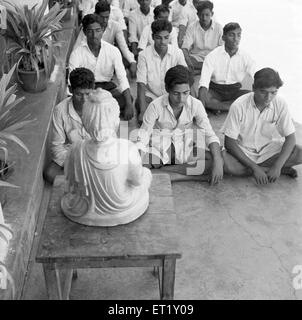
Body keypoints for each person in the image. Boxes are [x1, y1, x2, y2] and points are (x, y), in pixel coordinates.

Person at [61, 89, 152, 226]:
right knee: (147, 174)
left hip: (84, 207)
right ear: (116, 121)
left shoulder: (76, 148)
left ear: (85, 122)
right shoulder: (127, 148)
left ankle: (93, 207)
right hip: (121, 204)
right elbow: (137, 182)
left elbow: (71, 185)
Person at [135, 65, 224, 185]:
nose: (181, 99)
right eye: (176, 93)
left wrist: (218, 161)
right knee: (136, 167)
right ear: (167, 89)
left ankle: (164, 174)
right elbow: (143, 135)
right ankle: (185, 176)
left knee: (213, 160)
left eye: (185, 93)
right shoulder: (155, 106)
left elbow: (209, 134)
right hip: (159, 150)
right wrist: (138, 157)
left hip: (184, 148)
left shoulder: (196, 105)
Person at [221, 68, 302, 184]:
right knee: (225, 164)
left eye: (273, 92)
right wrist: (255, 168)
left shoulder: (280, 103)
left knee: (299, 152)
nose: (268, 98)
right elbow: (229, 143)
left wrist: (277, 167)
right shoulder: (238, 106)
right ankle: (273, 170)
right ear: (253, 88)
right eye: (263, 92)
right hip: (244, 152)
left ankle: (273, 169)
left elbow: (291, 138)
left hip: (267, 150)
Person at [69, 14, 134, 120]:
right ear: (84, 32)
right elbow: (71, 82)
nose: (94, 35)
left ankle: (98, 113)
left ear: (103, 30)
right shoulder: (77, 53)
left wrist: (129, 104)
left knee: (127, 99)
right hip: (87, 90)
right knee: (81, 102)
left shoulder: (112, 50)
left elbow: (122, 78)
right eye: (90, 31)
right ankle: (101, 113)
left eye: (98, 30)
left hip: (107, 88)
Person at [43, 68, 95, 184]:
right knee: (50, 174)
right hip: (72, 155)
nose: (84, 100)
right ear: (71, 90)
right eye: (79, 94)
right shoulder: (60, 110)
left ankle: (79, 183)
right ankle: (86, 182)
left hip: (95, 153)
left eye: (88, 93)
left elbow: (109, 139)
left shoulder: (100, 106)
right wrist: (77, 163)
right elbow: (57, 147)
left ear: (93, 89)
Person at [136, 19, 187, 123]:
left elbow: (185, 78)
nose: (163, 42)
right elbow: (141, 84)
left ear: (170, 37)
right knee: (139, 105)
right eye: (159, 38)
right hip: (151, 97)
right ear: (153, 37)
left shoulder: (177, 53)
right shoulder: (143, 55)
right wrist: (142, 111)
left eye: (166, 37)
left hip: (172, 96)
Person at [198, 22, 256, 112]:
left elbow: (256, 76)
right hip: (215, 91)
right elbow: (204, 83)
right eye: (231, 35)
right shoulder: (212, 56)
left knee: (252, 96)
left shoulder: (245, 56)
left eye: (238, 35)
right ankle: (233, 107)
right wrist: (200, 109)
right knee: (204, 97)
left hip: (235, 91)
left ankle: (218, 107)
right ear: (223, 37)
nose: (235, 39)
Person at [73, 1, 137, 78]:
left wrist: (132, 62)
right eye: (102, 17)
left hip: (106, 59)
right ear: (95, 15)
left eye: (107, 17)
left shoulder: (115, 26)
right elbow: (76, 48)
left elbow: (124, 47)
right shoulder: (88, 27)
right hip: (90, 59)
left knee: (125, 60)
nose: (105, 20)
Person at [181, 1, 223, 75]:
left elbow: (222, 49)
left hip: (213, 60)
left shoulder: (219, 28)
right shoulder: (192, 27)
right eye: (201, 15)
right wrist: (188, 61)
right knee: (185, 60)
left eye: (207, 15)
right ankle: (207, 71)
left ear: (212, 14)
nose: (204, 18)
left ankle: (200, 71)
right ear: (197, 15)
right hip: (196, 59)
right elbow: (184, 48)